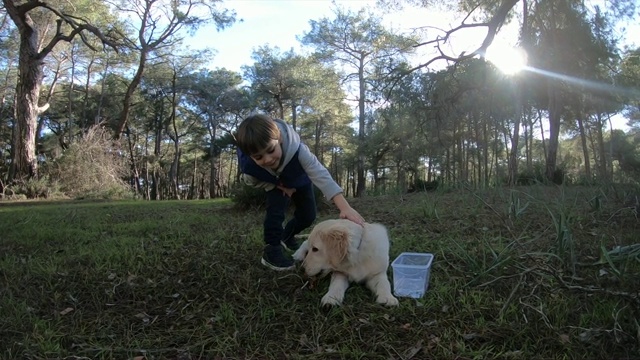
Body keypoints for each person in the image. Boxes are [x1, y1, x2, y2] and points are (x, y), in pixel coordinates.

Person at [235, 114, 365, 271]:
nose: (267, 159)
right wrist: (278, 186)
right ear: (250, 156)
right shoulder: (250, 168)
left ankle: (287, 236)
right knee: (275, 212)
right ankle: (272, 248)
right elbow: (252, 182)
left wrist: (344, 207)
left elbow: (320, 174)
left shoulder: (298, 150)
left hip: (300, 181)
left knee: (308, 215)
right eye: (259, 157)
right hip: (276, 184)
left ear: (280, 138)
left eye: (270, 150)